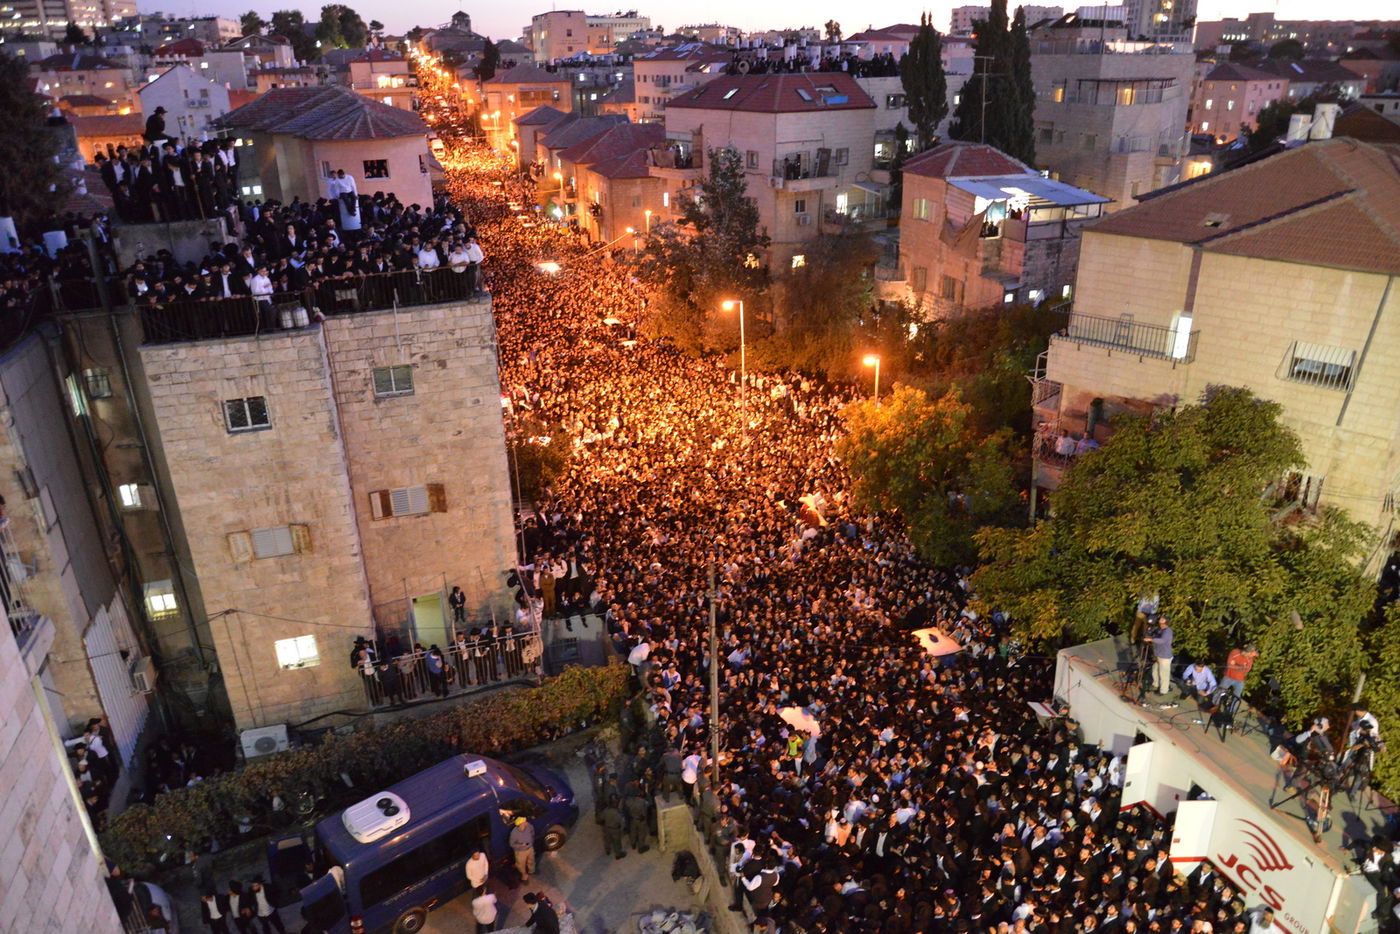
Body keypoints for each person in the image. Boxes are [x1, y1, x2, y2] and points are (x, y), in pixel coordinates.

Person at [1142, 617, 1174, 697]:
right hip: (1158, 655)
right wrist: (1149, 632)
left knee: (1164, 674)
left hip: (1165, 657)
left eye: (1161, 621)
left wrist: (1150, 639)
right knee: (1155, 670)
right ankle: (1155, 684)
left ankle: (1163, 690)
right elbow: (1153, 634)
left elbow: (1162, 640)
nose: (1159, 622)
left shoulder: (1168, 632)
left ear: (1165, 623)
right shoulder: (1159, 629)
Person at [509, 815, 536, 883]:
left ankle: (531, 870)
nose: (526, 822)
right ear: (521, 824)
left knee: (531, 860)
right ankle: (524, 875)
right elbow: (511, 844)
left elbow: (532, 832)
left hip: (530, 848)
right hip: (520, 852)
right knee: (521, 865)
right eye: (525, 821)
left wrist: (531, 841)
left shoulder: (529, 826)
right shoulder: (514, 833)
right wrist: (520, 845)